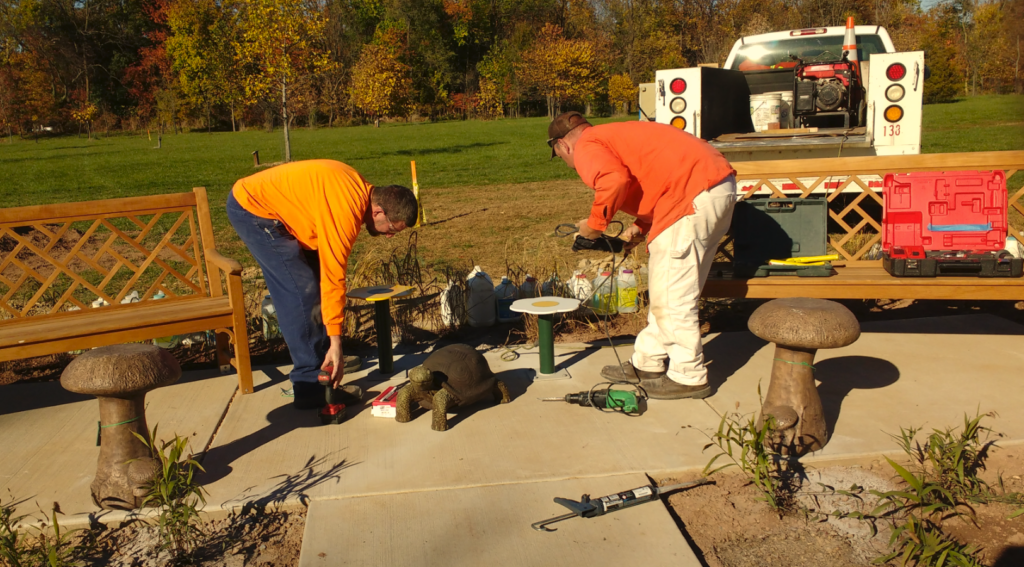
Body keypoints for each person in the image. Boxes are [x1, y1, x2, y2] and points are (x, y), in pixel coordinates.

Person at [547, 111, 737, 400]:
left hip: (690, 198)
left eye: (561, 156)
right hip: (705, 189)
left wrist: (594, 227)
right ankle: (647, 362)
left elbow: (614, 180)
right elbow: (657, 176)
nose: (567, 162)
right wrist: (638, 228)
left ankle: (688, 376)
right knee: (666, 291)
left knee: (674, 297)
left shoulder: (587, 145)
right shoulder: (614, 135)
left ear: (562, 145)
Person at [227, 160, 419, 408]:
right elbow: (333, 276)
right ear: (378, 212)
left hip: (277, 211)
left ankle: (325, 361)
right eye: (392, 228)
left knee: (312, 283)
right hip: (254, 209)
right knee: (301, 291)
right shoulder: (345, 210)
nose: (390, 236)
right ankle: (309, 386)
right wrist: (337, 341)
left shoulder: (358, 190)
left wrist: (333, 341)